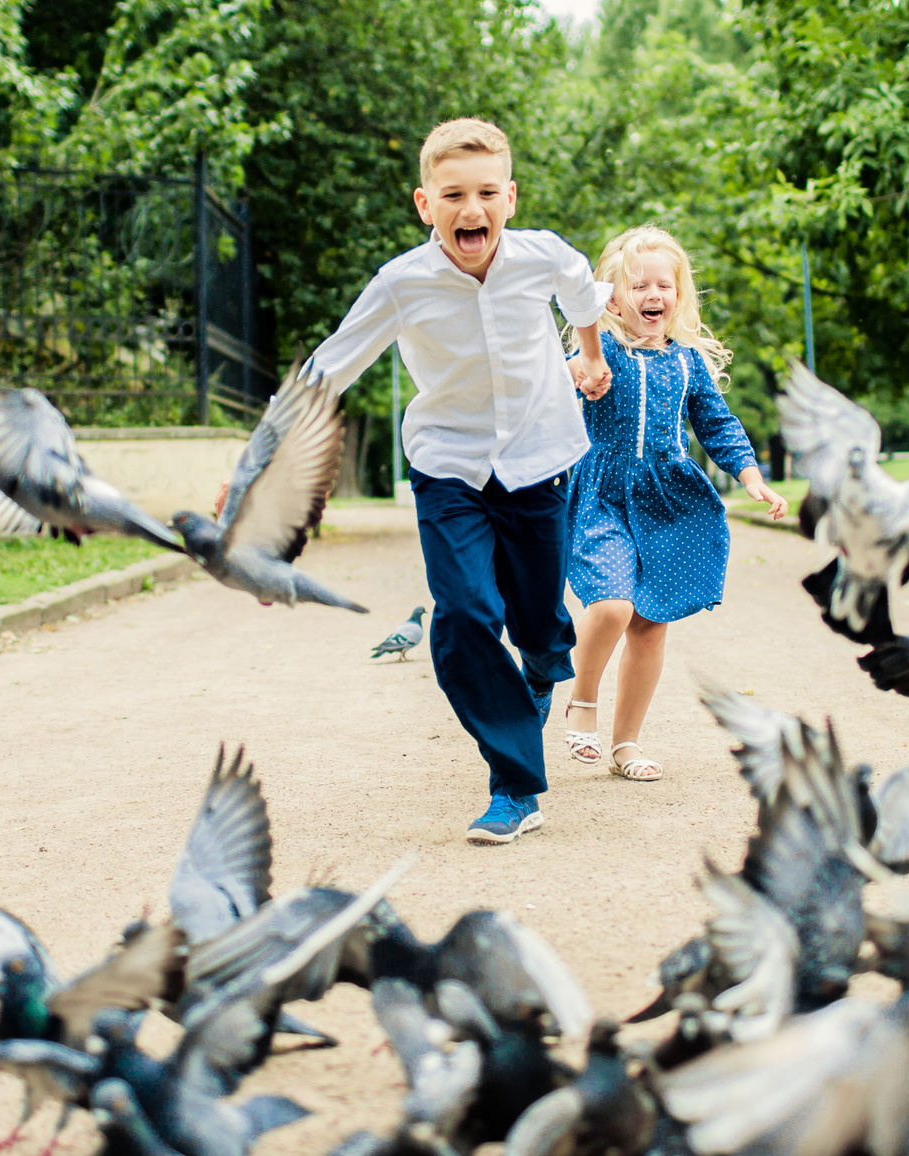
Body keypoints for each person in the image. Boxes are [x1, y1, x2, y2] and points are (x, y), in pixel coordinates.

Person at [299, 118, 613, 845]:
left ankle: (542, 662)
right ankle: (514, 786)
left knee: (536, 623)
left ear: (510, 196)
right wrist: (254, 464)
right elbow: (330, 367)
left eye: (484, 193)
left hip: (539, 460)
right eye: (452, 195)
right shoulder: (402, 283)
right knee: (465, 614)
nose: (470, 209)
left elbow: (583, 295)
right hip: (448, 465)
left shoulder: (543, 258)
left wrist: (591, 357)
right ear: (424, 204)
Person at [559, 224, 786, 781]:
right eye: (638, 286)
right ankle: (582, 699)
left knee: (650, 624)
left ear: (679, 295)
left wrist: (752, 476)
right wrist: (572, 371)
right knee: (611, 605)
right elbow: (552, 396)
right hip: (603, 493)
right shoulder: (599, 349)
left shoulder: (686, 362)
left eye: (664, 286)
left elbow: (717, 423)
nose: (652, 296)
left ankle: (626, 744)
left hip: (666, 498)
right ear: (610, 296)